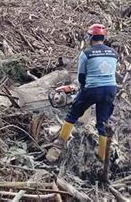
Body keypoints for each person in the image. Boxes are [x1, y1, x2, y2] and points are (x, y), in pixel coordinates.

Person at [48, 24, 117, 162]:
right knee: (102, 123)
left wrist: (82, 90)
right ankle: (102, 157)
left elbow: (81, 77)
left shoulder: (86, 54)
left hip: (92, 89)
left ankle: (60, 143)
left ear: (90, 37)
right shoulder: (114, 53)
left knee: (73, 113)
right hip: (110, 89)